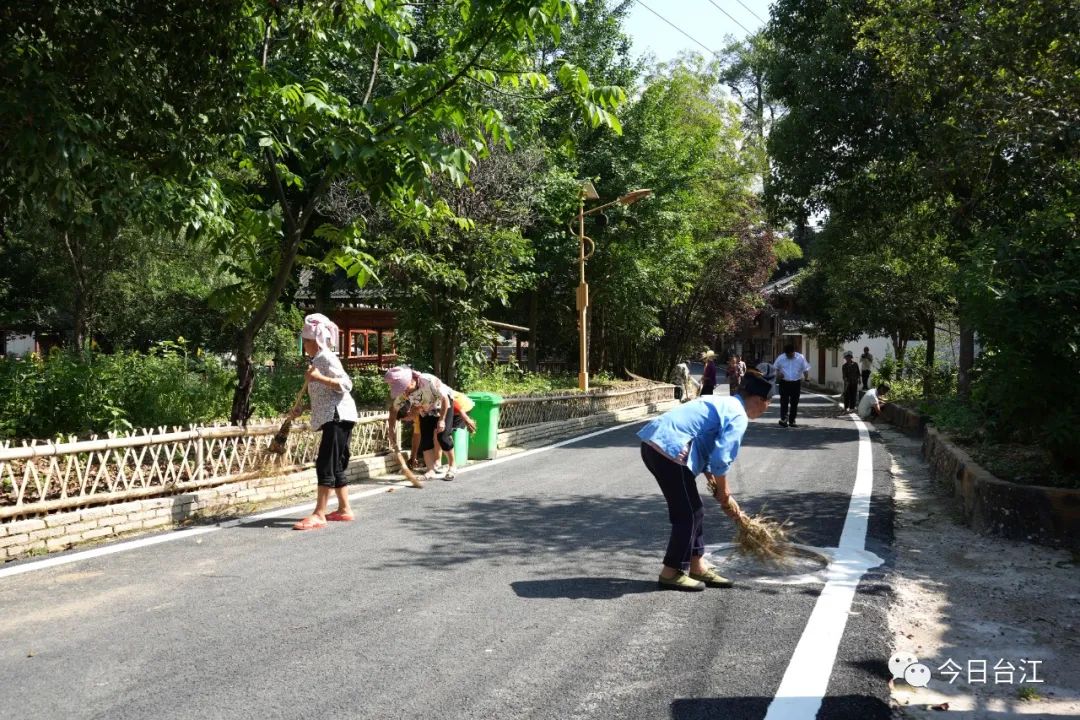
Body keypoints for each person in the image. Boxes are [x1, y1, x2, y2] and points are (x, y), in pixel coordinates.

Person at [637, 369, 775, 591]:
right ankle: (671, 572)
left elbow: (707, 452)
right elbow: (721, 457)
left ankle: (697, 566)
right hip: (671, 451)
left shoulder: (724, 403)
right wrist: (725, 493)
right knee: (689, 513)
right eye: (769, 403)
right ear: (759, 400)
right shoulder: (738, 415)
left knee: (694, 510)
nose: (767, 408)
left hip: (654, 446)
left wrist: (717, 488)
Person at [288, 313, 359, 531]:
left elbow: (346, 384)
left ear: (315, 341)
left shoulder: (326, 358)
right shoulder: (316, 361)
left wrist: (319, 378)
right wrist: (303, 408)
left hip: (337, 416)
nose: (304, 346)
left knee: (325, 463)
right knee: (335, 463)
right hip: (335, 415)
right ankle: (344, 509)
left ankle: (319, 513)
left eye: (306, 342)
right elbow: (324, 395)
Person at [384, 366, 462, 481]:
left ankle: (452, 467)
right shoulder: (403, 393)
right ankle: (430, 470)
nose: (404, 392)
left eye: (405, 388)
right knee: (425, 440)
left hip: (443, 405)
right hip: (425, 409)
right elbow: (394, 410)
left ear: (411, 382)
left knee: (443, 436)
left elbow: (445, 399)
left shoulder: (427, 380)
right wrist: (391, 431)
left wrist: (441, 420)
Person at [774, 343, 811, 427]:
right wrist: (778, 374)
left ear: (794, 352)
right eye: (787, 354)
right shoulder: (781, 358)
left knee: (794, 402)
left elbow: (805, 369)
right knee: (784, 401)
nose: (789, 356)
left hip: (796, 383)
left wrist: (807, 379)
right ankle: (784, 419)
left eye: (790, 354)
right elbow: (775, 368)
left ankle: (792, 420)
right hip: (784, 383)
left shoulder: (800, 357)